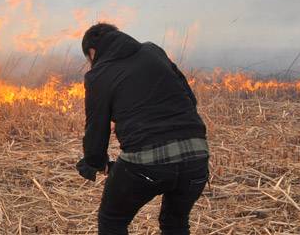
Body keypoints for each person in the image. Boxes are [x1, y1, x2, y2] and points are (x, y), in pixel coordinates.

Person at [76, 23, 209, 235]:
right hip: (196, 155)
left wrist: (94, 162)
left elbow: (96, 127)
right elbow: (189, 99)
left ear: (92, 52)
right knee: (175, 222)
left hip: (147, 164)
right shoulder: (153, 50)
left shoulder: (99, 74)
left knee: (113, 219)